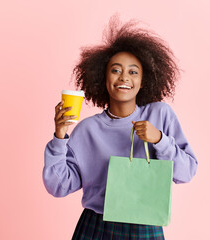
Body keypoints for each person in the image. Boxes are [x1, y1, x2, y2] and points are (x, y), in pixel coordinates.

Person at [43, 16, 198, 240]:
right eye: (115, 70)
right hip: (96, 226)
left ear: (144, 80)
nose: (124, 77)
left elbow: (187, 172)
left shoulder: (159, 115)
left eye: (133, 71)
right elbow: (59, 186)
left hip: (145, 224)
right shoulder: (87, 130)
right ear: (103, 77)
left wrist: (160, 140)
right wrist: (59, 136)